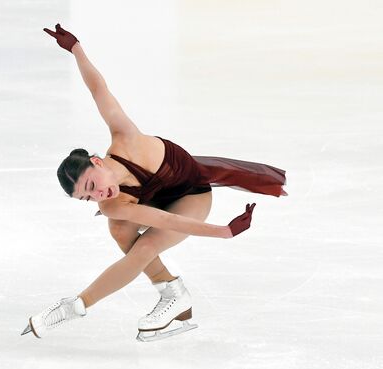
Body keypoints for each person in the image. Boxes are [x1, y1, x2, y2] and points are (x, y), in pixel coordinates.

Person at [21, 23, 287, 342]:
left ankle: (76, 306)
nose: (97, 196)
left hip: (191, 193)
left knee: (145, 244)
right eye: (87, 199)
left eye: (92, 185)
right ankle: (172, 292)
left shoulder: (125, 139)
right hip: (157, 201)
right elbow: (157, 217)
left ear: (96, 162)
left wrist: (76, 48)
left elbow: (98, 90)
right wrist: (224, 232)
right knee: (118, 226)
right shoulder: (111, 204)